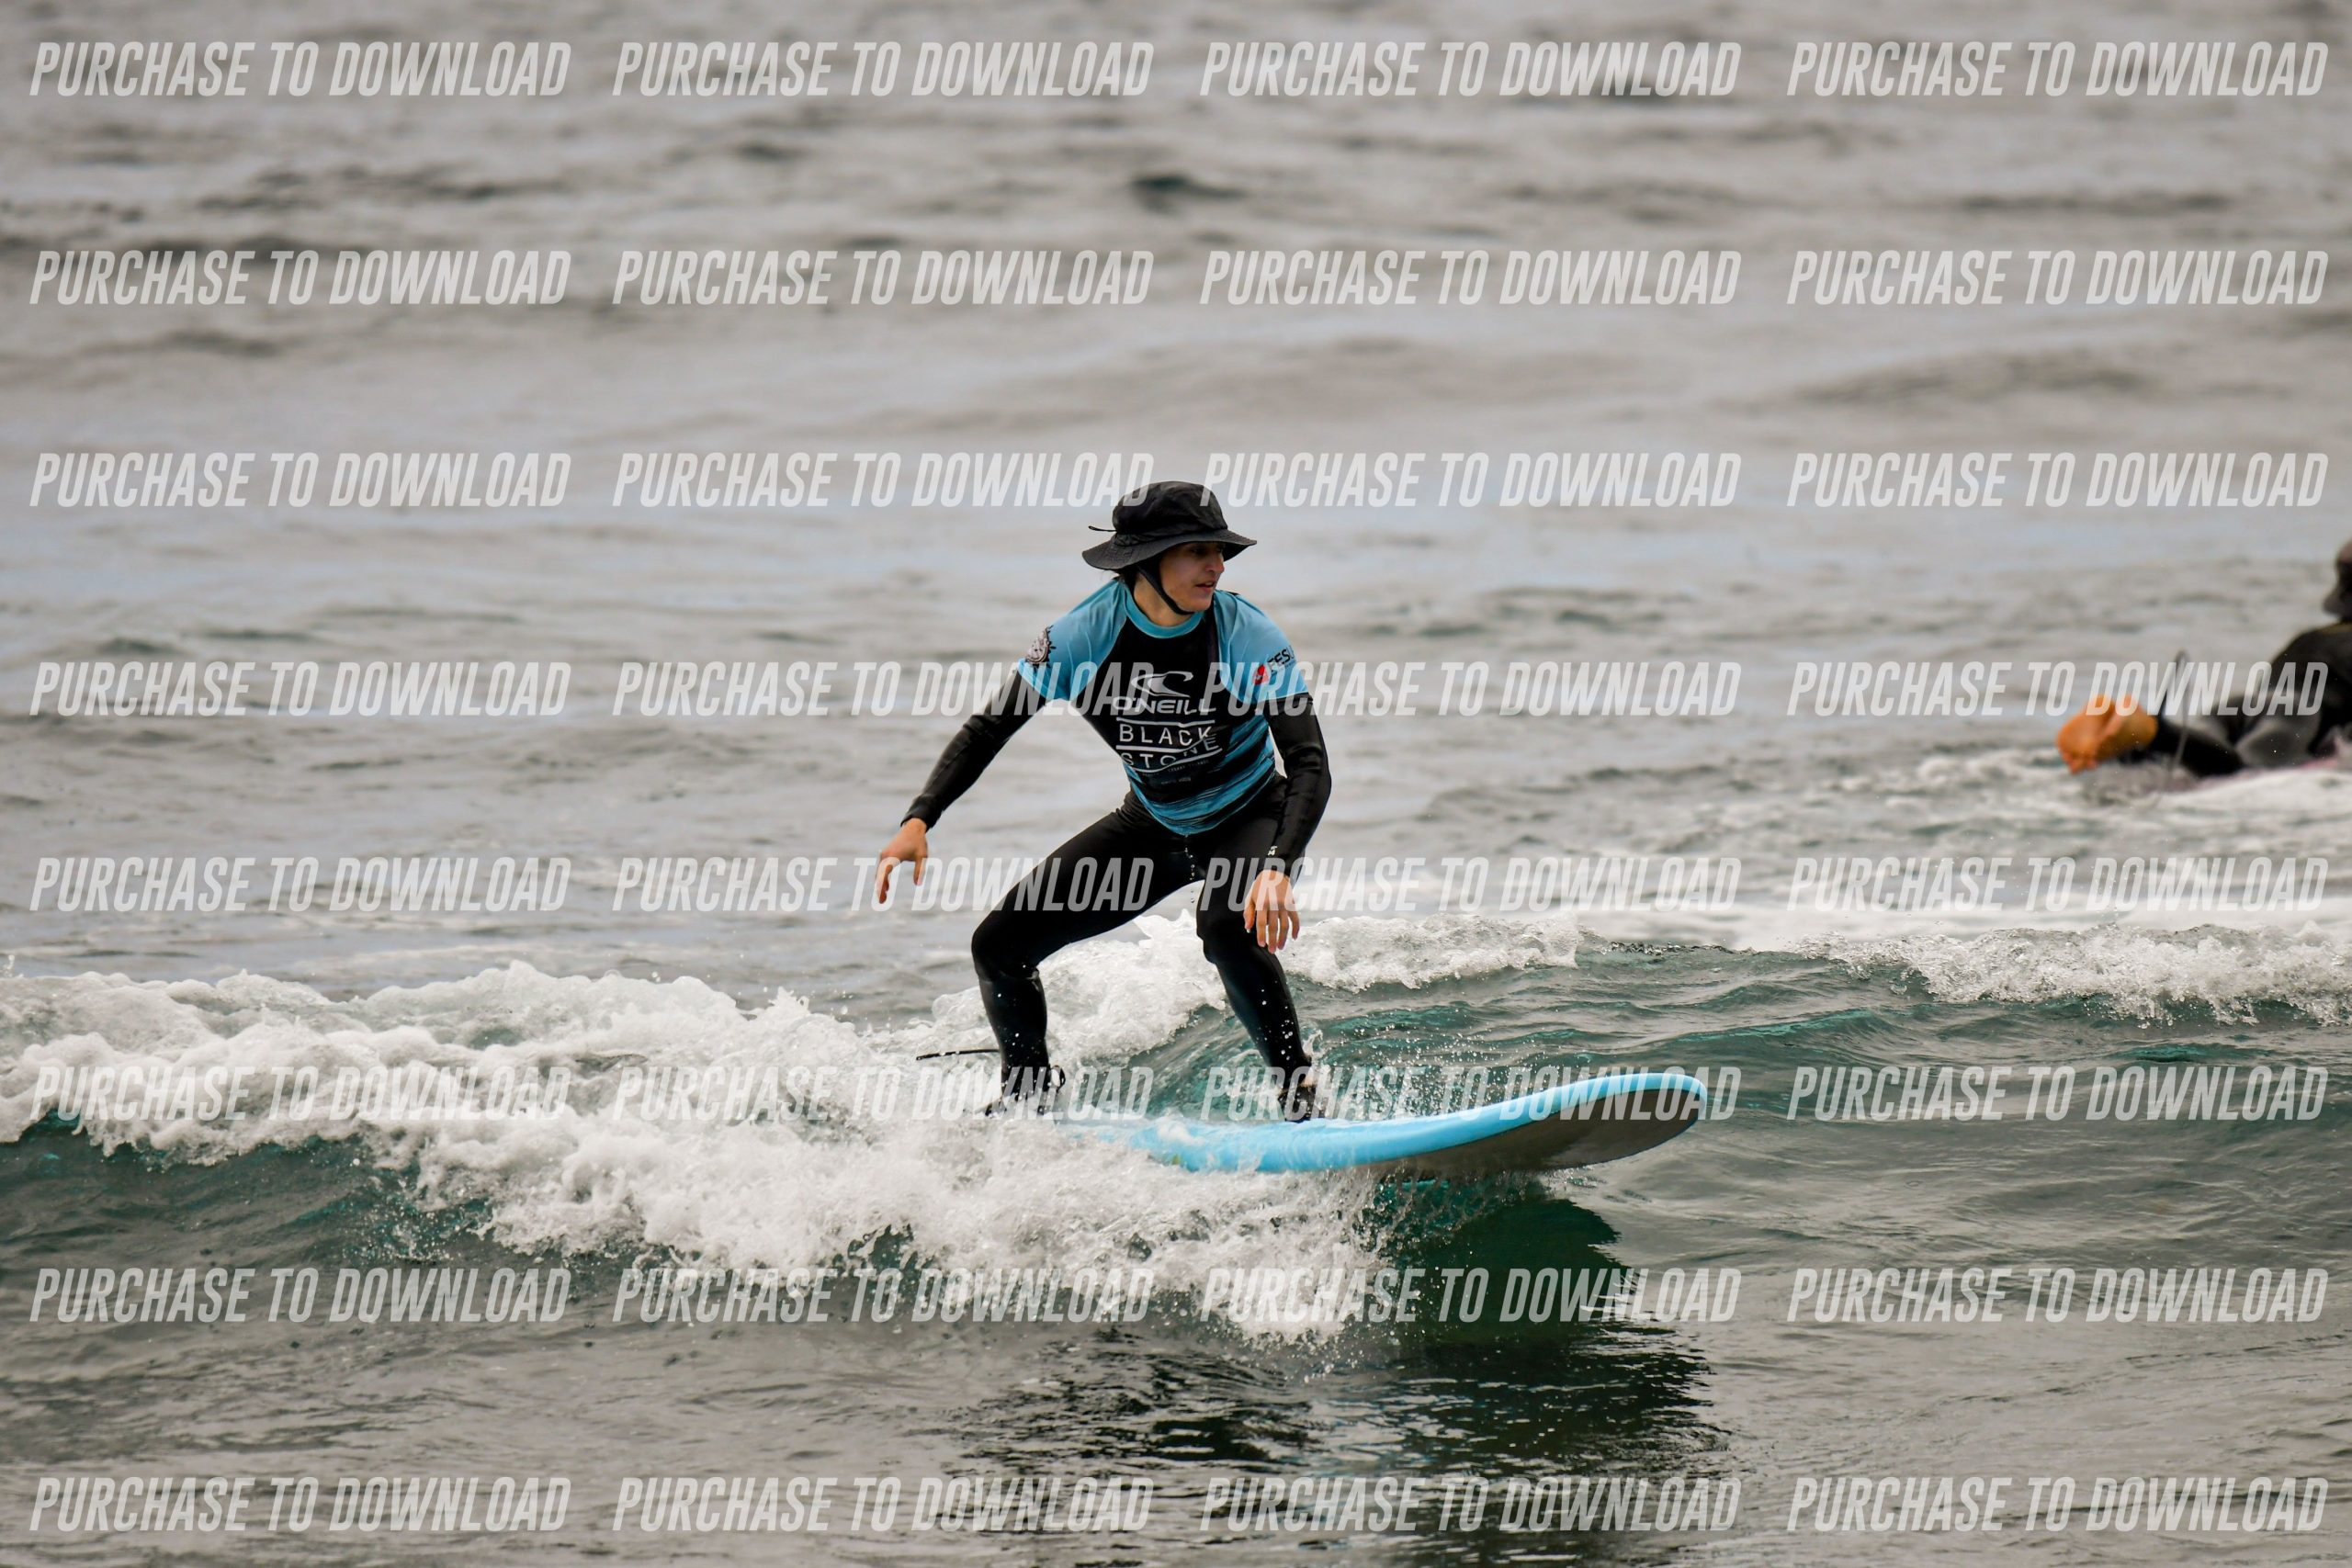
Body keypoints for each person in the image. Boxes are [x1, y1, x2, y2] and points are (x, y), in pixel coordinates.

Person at [873, 481, 1331, 1119]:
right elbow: (989, 728)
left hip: (1251, 813)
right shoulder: (1082, 637)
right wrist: (920, 818)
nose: (1217, 566)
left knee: (1226, 926)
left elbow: (1308, 760)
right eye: (1196, 551)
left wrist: (1278, 865)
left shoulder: (1245, 633)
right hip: (1154, 825)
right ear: (1145, 562)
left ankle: (1297, 1088)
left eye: (1219, 551)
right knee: (998, 947)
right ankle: (1029, 1097)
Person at [2057, 539, 2352, 776]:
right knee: (2246, 775)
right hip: (2295, 715)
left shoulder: (2310, 638)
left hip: (2238, 710)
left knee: (2187, 760)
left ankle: (2127, 742)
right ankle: (2153, 733)